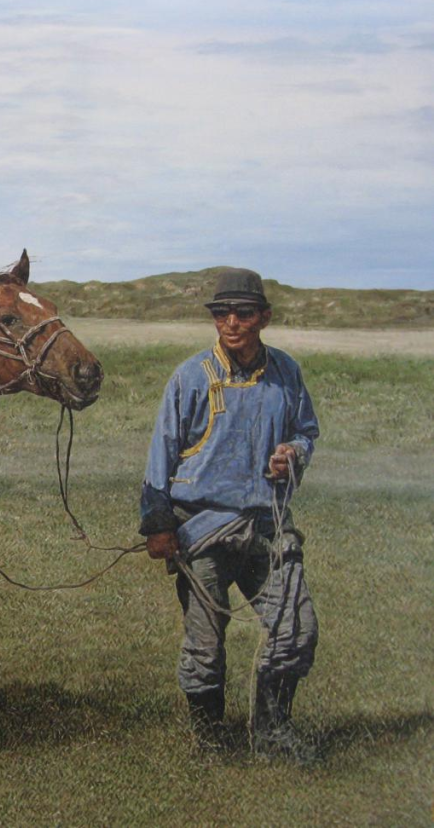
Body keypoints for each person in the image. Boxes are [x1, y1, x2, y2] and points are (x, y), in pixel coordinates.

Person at [140, 268, 320, 761]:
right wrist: (158, 526)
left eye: (243, 312)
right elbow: (162, 454)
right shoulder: (191, 377)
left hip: (267, 528)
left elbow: (306, 430)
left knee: (297, 629)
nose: (231, 322)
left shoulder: (286, 373)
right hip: (201, 531)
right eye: (222, 313)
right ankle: (209, 738)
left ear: (264, 317)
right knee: (205, 644)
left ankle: (273, 732)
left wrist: (293, 454)